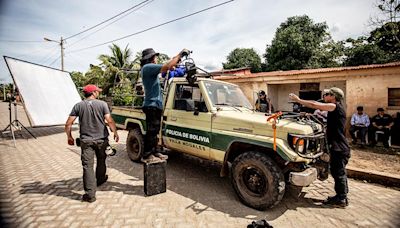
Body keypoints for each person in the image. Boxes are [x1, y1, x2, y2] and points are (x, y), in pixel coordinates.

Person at [289, 87, 350, 208]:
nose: (325, 96)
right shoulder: (336, 108)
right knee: (337, 172)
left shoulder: (334, 106)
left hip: (339, 147)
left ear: (333, 96)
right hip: (338, 146)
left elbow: (313, 104)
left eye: (327, 94)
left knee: (339, 173)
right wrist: (308, 115)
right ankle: (341, 196)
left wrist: (298, 100)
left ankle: (341, 199)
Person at [65, 84, 119, 203]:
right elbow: (109, 120)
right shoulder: (102, 104)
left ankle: (90, 195)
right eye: (97, 91)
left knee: (87, 166)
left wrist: (69, 137)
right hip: (102, 140)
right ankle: (100, 180)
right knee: (101, 160)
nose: (98, 93)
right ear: (93, 93)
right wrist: (115, 132)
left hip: (86, 141)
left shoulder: (78, 106)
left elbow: (68, 123)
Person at [140, 48, 190, 162]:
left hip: (155, 105)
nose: (157, 59)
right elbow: (168, 65)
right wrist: (180, 54)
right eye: (155, 57)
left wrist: (176, 59)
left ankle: (154, 151)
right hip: (151, 104)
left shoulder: (150, 69)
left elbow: (169, 64)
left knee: (156, 130)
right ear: (151, 58)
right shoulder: (148, 67)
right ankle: (147, 155)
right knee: (152, 130)